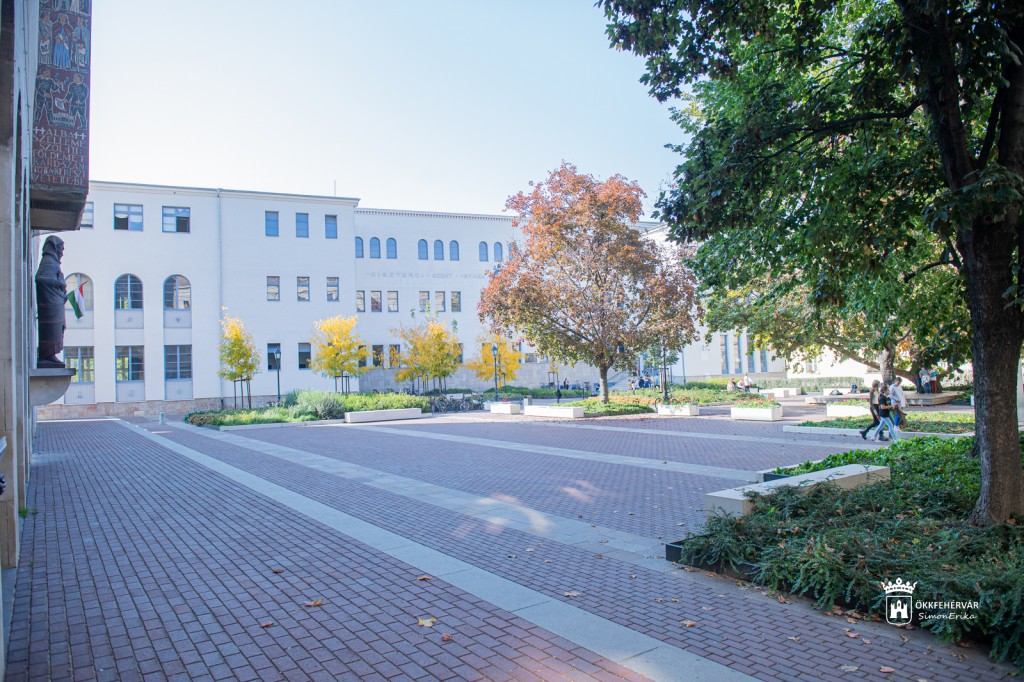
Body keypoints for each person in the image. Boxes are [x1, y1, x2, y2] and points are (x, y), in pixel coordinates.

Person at [35, 235, 67, 368]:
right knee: (52, 329)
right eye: (60, 248)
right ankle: (47, 354)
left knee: (59, 328)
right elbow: (40, 278)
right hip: (50, 305)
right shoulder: (48, 261)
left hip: (55, 302)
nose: (61, 252)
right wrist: (59, 283)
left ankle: (51, 354)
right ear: (53, 247)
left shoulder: (53, 262)